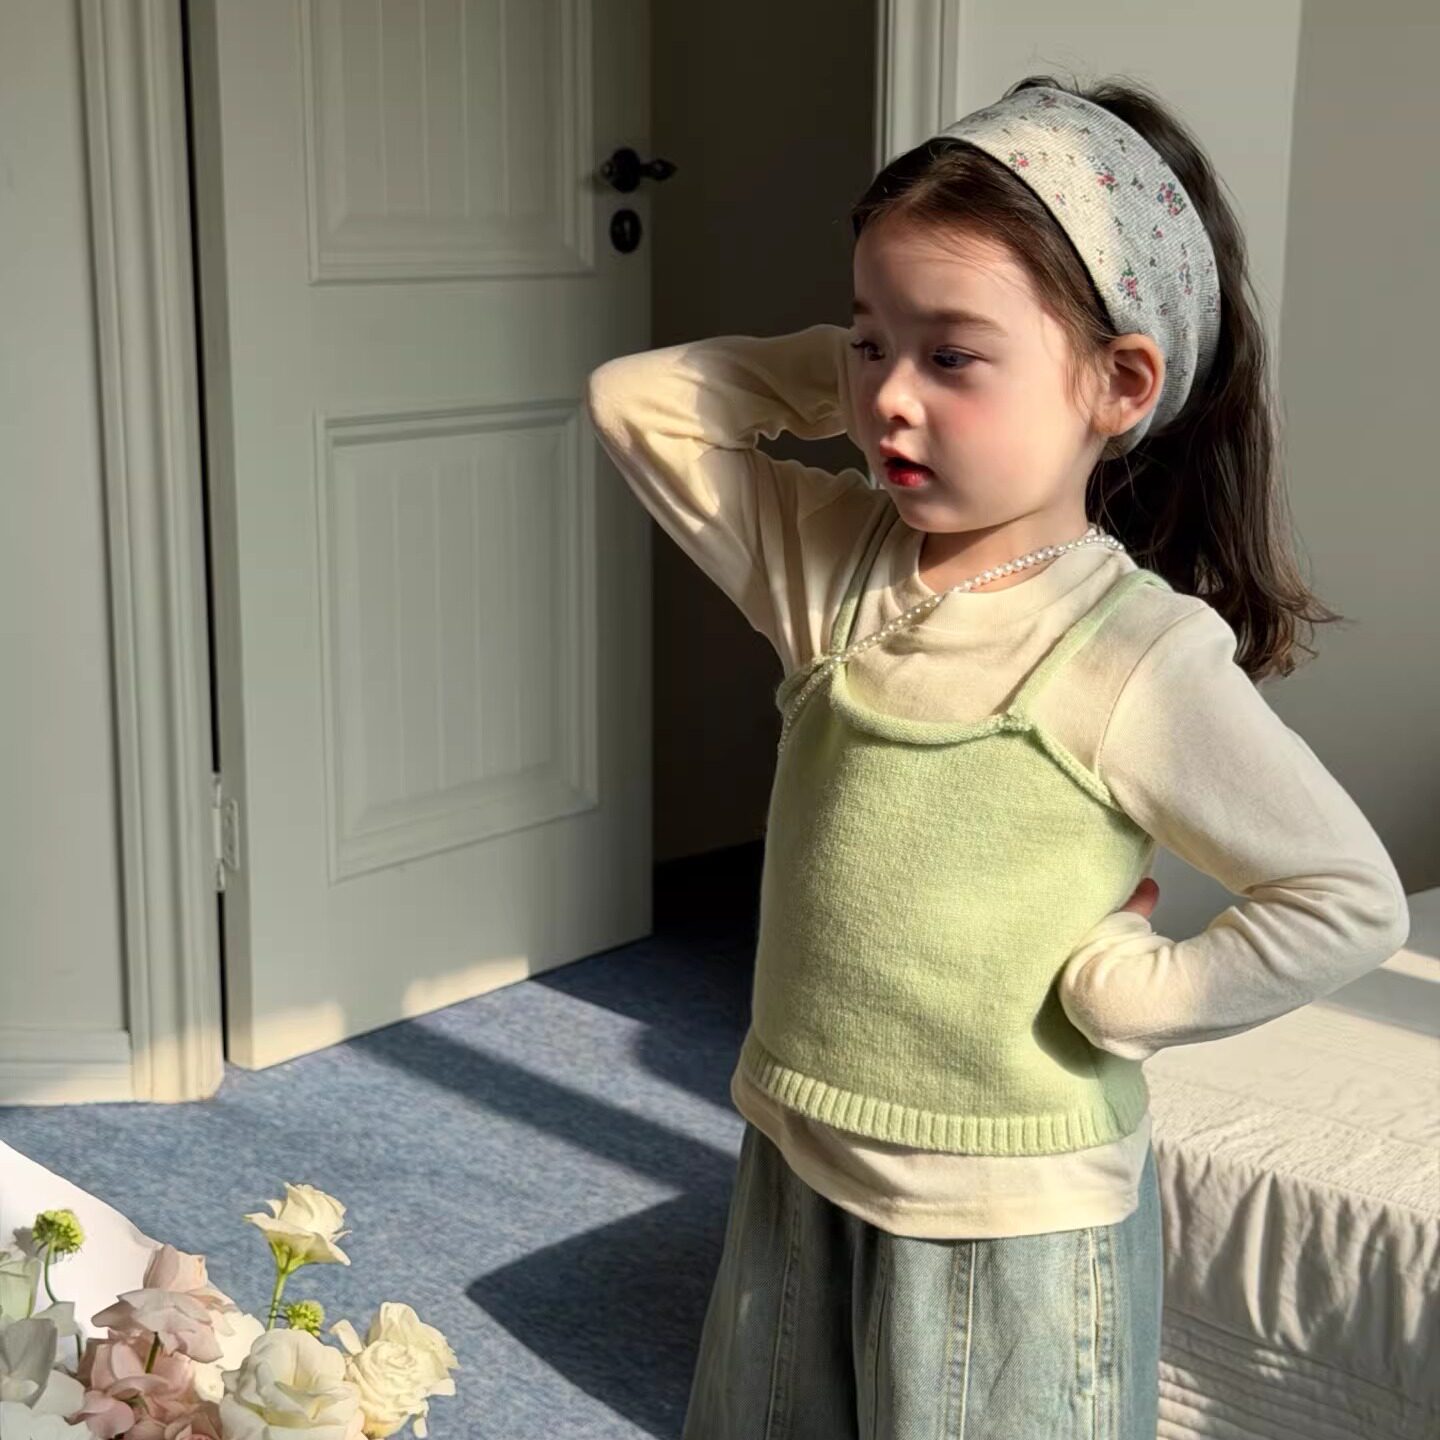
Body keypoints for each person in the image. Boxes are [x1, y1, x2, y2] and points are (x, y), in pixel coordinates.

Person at [584, 74, 1410, 1440]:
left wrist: (1141, 997)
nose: (888, 402)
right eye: (868, 344)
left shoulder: (1133, 650)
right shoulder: (832, 569)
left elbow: (1346, 900)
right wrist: (881, 348)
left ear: (1120, 384)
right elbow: (637, 403)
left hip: (1008, 1218)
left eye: (954, 358)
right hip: (797, 1146)